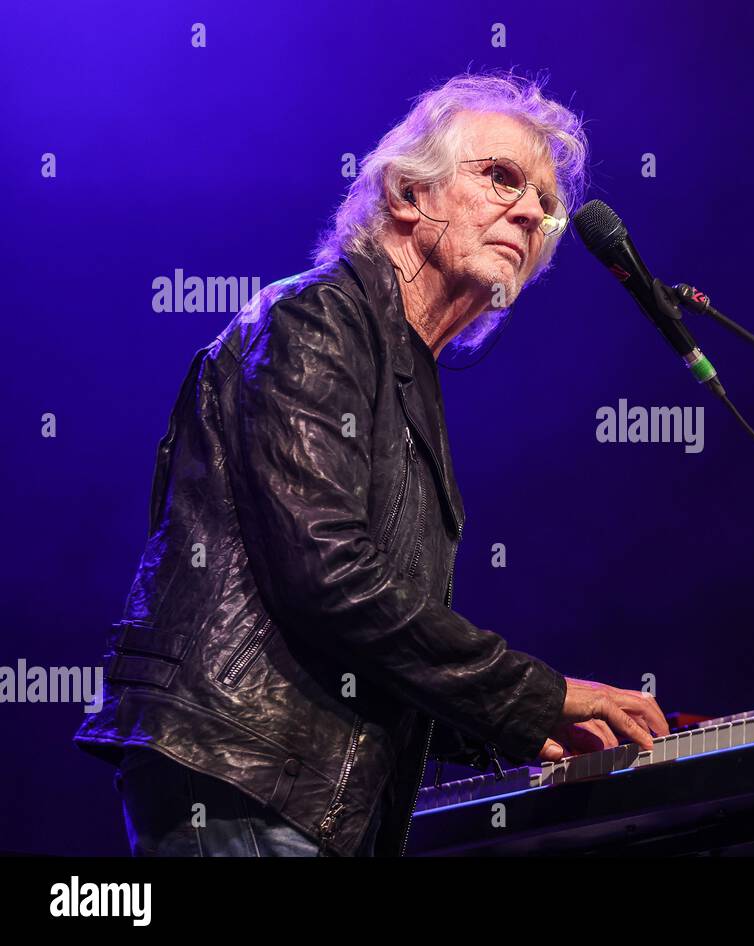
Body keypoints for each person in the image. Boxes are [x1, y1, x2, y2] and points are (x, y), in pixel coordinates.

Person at [74, 70, 667, 857]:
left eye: (547, 207)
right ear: (406, 194)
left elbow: (364, 643)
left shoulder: (403, 367)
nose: (532, 212)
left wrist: (514, 728)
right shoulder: (314, 323)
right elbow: (329, 577)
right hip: (244, 776)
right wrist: (539, 695)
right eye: (501, 178)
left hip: (293, 792)